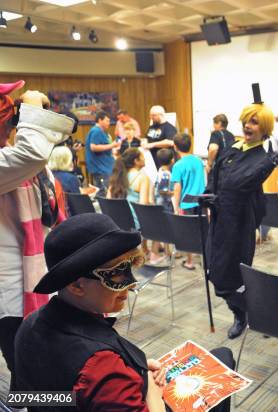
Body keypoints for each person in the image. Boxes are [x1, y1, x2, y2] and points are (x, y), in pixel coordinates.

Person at [14, 213, 236, 412]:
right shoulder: (102, 367)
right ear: (76, 285)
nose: (131, 285)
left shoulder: (29, 325)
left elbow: (28, 397)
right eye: (117, 273)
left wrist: (131, 370)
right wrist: (147, 383)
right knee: (223, 359)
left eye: (129, 266)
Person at [0, 80, 75, 393]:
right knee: (34, 377)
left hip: (40, 282)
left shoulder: (12, 157)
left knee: (38, 373)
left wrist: (36, 112)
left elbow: (56, 136)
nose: (12, 114)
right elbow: (33, 153)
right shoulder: (15, 161)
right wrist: (30, 109)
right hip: (12, 297)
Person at [206, 90, 278, 339]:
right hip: (219, 220)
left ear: (264, 128)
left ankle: (247, 313)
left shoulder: (262, 157)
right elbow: (216, 175)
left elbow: (242, 183)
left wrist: (269, 163)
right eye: (246, 120)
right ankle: (245, 312)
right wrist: (207, 194)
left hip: (239, 224)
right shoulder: (232, 148)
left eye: (254, 122)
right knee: (214, 273)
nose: (247, 125)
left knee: (230, 277)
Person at [171, 132, 206, 270]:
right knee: (202, 230)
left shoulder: (178, 165)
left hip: (186, 203)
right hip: (201, 201)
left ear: (175, 147)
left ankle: (190, 261)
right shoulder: (198, 160)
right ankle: (205, 261)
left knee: (188, 232)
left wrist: (176, 206)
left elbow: (177, 187)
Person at [107, 148, 151, 231]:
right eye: (142, 156)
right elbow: (143, 206)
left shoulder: (116, 177)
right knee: (159, 220)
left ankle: (144, 244)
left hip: (116, 221)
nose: (144, 158)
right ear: (136, 161)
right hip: (135, 223)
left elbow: (108, 201)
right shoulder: (142, 178)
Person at [85, 110, 119, 194]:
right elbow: (93, 147)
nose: (109, 123)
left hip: (103, 167)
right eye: (107, 120)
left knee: (104, 191)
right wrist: (112, 145)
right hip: (101, 169)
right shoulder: (97, 131)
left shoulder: (98, 131)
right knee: (104, 192)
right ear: (100, 120)